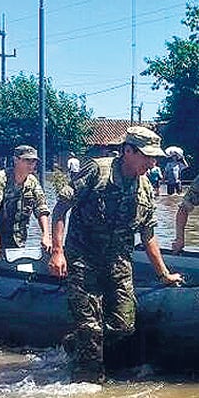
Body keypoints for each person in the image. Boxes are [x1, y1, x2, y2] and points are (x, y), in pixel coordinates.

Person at [48, 126, 183, 383]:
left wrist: (164, 274)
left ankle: (75, 343)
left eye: (155, 157)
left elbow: (148, 234)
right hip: (83, 258)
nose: (152, 163)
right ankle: (87, 389)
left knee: (124, 326)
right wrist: (57, 251)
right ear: (127, 151)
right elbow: (61, 209)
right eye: (147, 156)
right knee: (91, 328)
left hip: (118, 261)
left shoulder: (144, 187)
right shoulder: (97, 171)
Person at [0, 145, 52, 258]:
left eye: (34, 161)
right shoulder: (0, 179)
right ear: (16, 160)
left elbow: (42, 209)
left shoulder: (32, 182)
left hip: (17, 236)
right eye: (27, 160)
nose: (31, 164)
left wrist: (46, 236)